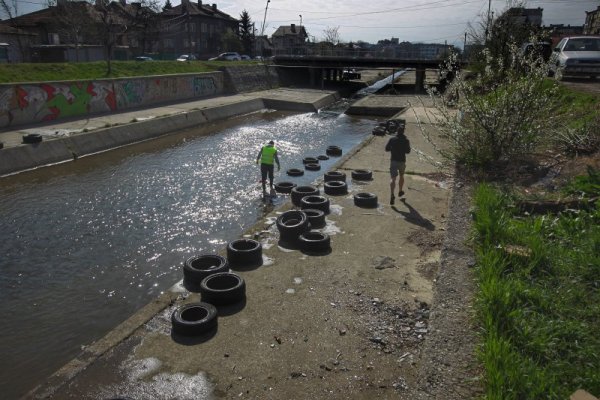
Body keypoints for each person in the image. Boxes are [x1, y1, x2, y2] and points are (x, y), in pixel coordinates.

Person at [385, 122, 410, 205]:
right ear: (403, 132)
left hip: (393, 161)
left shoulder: (392, 139)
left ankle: (392, 194)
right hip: (402, 161)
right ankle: (400, 191)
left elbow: (386, 149)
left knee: (393, 178)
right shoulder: (406, 140)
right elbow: (408, 151)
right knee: (401, 176)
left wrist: (392, 148)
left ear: (397, 131)